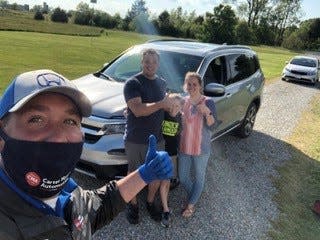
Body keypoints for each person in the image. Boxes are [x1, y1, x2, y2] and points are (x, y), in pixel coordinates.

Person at [0, 69, 173, 240]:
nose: (59, 137)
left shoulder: (67, 191)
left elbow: (95, 210)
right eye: (36, 119)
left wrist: (144, 174)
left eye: (70, 121)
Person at [123, 48, 174, 227]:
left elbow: (168, 106)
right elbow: (137, 110)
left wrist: (176, 105)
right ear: (141, 62)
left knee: (157, 174)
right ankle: (133, 205)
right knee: (134, 173)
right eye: (147, 61)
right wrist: (161, 103)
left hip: (157, 139)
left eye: (153, 62)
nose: (150, 65)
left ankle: (150, 202)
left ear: (158, 64)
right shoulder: (133, 83)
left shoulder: (162, 83)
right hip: (135, 139)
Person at [178, 72, 217, 218]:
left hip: (201, 149)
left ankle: (190, 205)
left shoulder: (208, 101)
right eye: (189, 84)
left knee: (199, 178)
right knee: (183, 177)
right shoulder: (183, 101)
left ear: (200, 86)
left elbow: (213, 126)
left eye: (195, 84)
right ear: (185, 85)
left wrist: (207, 113)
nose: (192, 87)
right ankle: (194, 195)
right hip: (184, 147)